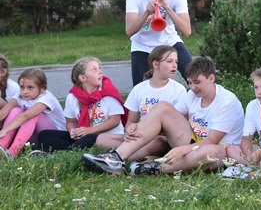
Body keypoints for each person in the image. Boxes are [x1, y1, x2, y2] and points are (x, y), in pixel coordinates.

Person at [82, 57, 244, 176]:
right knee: (163, 107)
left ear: (211, 78)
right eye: (189, 82)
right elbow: (171, 120)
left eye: (197, 82)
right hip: (191, 140)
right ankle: (116, 158)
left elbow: (211, 140)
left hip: (218, 149)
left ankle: (153, 168)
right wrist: (138, 128)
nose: (192, 87)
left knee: (212, 152)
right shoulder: (192, 95)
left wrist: (182, 149)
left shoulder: (226, 101)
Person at [95, 46, 186, 153]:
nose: (174, 65)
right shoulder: (139, 89)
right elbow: (131, 121)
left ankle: (121, 155)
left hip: (162, 137)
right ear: (155, 64)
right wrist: (130, 129)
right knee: (102, 139)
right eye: (169, 61)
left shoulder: (178, 89)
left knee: (156, 142)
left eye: (176, 61)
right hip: (140, 134)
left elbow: (178, 125)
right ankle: (137, 153)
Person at [126, 0, 192, 86]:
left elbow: (186, 31)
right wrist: (146, 13)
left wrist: (166, 7)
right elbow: (129, 31)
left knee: (193, 74)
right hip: (142, 45)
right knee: (139, 87)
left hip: (169, 42)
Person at [37, 58, 126, 152]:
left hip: (106, 137)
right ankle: (76, 149)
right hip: (83, 136)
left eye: (99, 68)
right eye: (94, 69)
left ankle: (70, 152)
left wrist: (90, 130)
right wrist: (73, 131)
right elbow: (70, 121)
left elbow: (115, 121)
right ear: (83, 78)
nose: (100, 72)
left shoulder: (108, 91)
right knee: (45, 135)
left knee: (89, 137)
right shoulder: (73, 97)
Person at [0, 68, 65, 158]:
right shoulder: (19, 95)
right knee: (15, 110)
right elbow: (4, 112)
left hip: (53, 138)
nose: (25, 91)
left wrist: (5, 130)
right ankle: (2, 145)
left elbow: (25, 116)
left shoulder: (46, 97)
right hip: (32, 136)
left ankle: (12, 152)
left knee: (32, 115)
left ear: (42, 88)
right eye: (22, 87)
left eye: (30, 87)